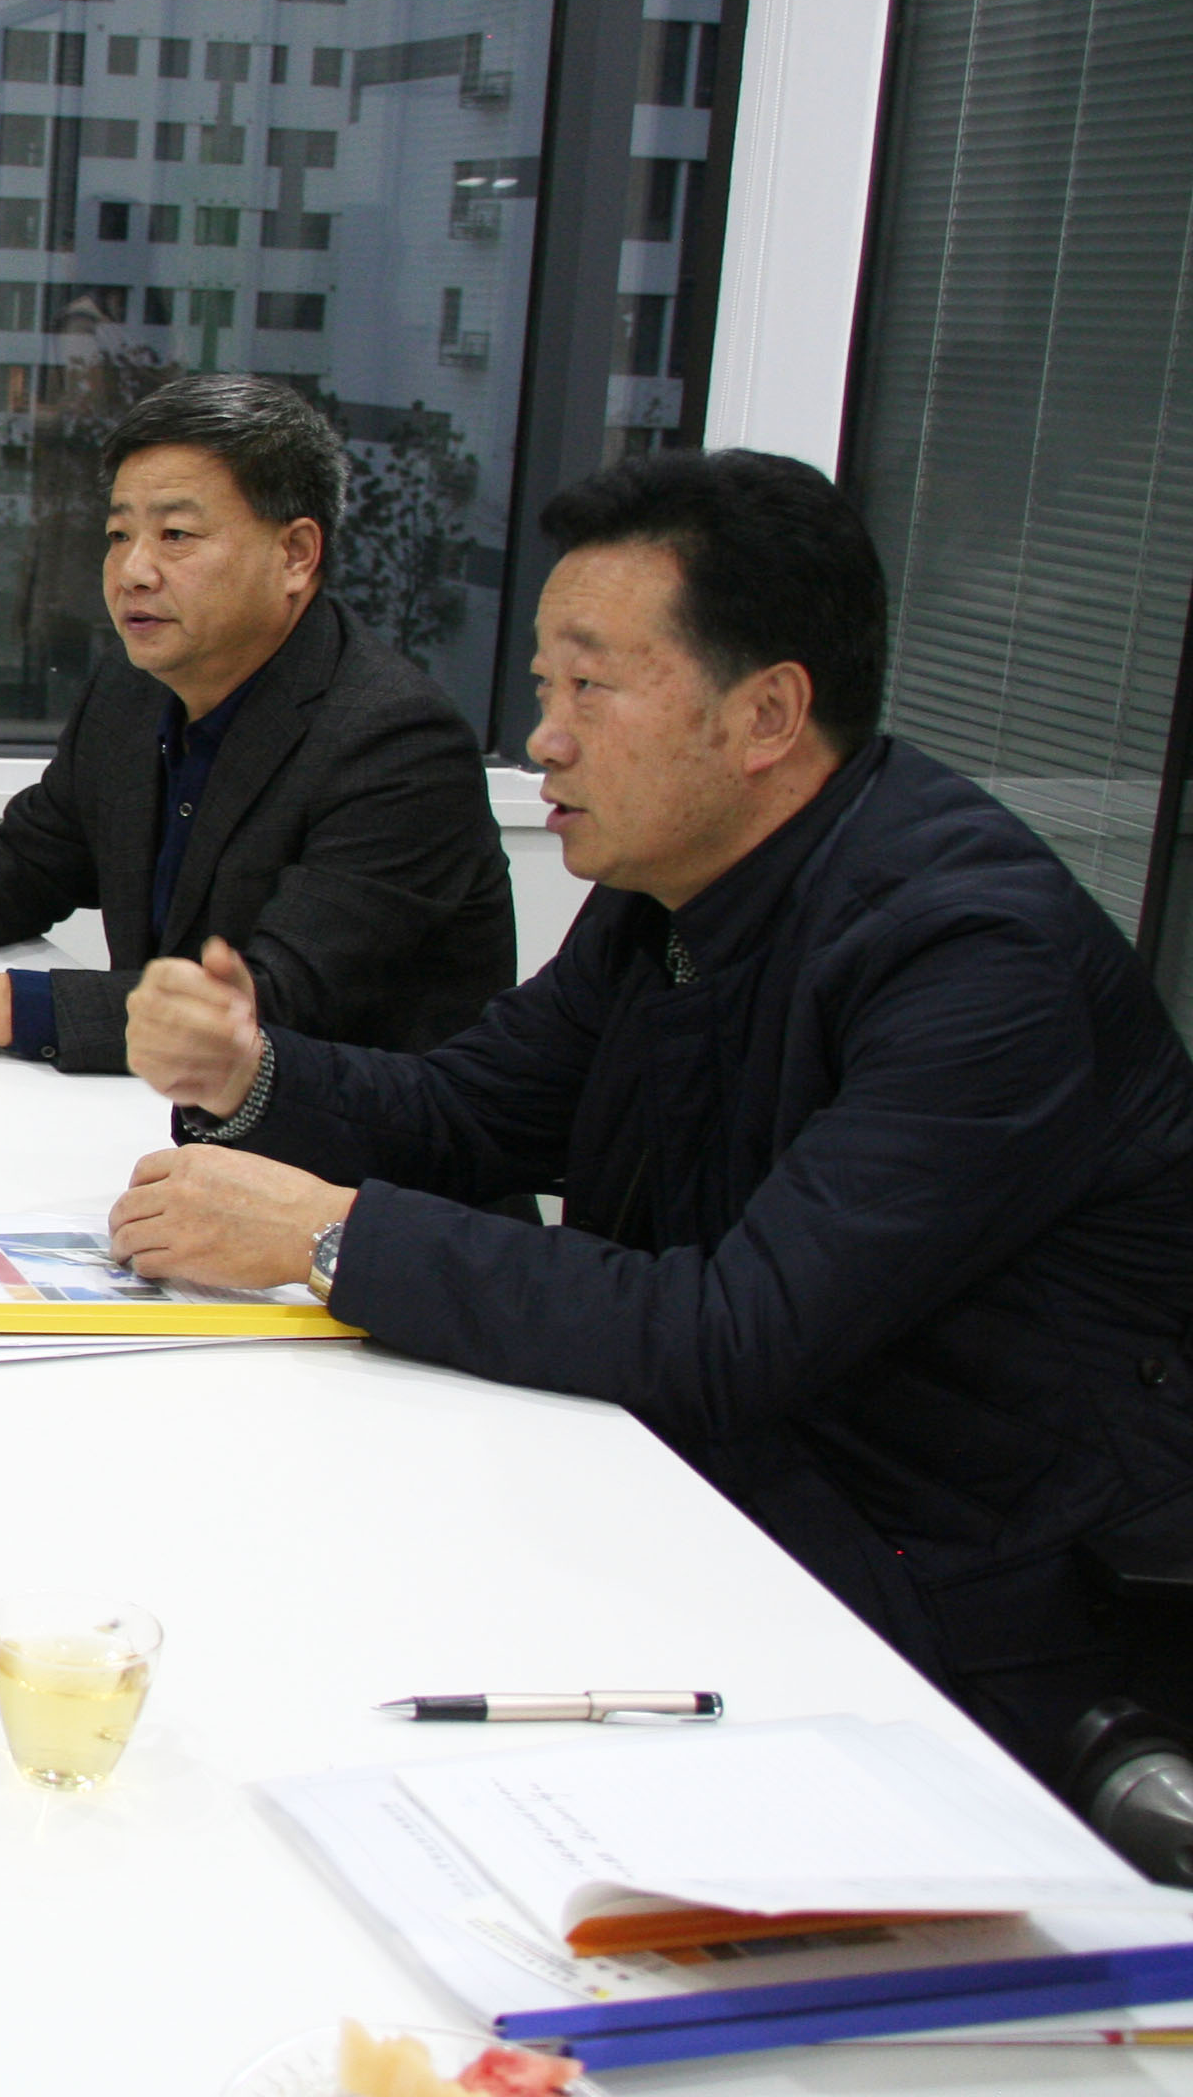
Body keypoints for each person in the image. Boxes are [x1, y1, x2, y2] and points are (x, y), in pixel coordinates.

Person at [107, 447, 1193, 1777]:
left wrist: (332, 1238)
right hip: (701, 1502)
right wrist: (251, 1076)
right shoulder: (669, 893)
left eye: (592, 687)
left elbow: (735, 1332)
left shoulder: (975, 958)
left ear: (767, 714)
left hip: (960, 1623)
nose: (546, 739)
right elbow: (472, 1109)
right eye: (544, 688)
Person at [0, 374, 513, 1077]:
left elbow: (271, 1000)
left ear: (296, 554)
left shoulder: (395, 742)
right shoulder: (133, 689)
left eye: (176, 536)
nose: (133, 571)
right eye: (119, 535)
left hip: (346, 1162)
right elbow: (40, 854)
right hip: (167, 1117)